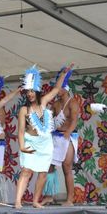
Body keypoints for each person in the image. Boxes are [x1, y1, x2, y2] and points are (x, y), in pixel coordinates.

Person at [14, 64, 73, 209]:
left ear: (37, 91)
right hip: (30, 142)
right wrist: (22, 146)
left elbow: (56, 89)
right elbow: (21, 131)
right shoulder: (24, 110)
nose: (30, 94)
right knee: (26, 171)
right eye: (28, 92)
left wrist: (63, 74)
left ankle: (35, 201)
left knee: (42, 173)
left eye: (32, 91)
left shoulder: (44, 102)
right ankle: (17, 201)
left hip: (45, 143)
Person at [41, 67, 79, 206]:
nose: (56, 91)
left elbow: (74, 120)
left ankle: (70, 199)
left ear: (64, 88)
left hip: (68, 138)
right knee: (50, 167)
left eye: (59, 89)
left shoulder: (73, 103)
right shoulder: (55, 104)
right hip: (55, 137)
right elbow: (48, 120)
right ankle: (49, 196)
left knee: (66, 167)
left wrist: (68, 131)